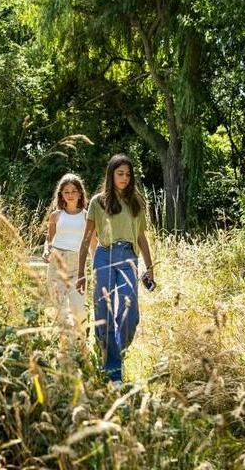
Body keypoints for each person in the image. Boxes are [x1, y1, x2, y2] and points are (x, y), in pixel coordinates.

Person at [76, 154, 154, 384]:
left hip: (129, 257)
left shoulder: (136, 201)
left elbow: (141, 237)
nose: (125, 178)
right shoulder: (98, 202)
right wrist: (81, 272)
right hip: (104, 256)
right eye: (120, 173)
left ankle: (113, 351)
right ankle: (113, 372)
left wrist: (150, 268)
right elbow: (86, 239)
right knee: (104, 312)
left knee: (131, 314)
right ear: (111, 175)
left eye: (128, 174)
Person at [42, 173, 92, 341]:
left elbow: (92, 242)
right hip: (57, 261)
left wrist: (99, 264)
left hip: (77, 263)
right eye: (66, 192)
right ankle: (66, 345)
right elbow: (49, 240)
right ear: (61, 194)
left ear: (80, 193)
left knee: (78, 308)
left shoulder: (87, 216)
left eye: (73, 191)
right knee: (60, 306)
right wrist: (46, 251)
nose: (70, 195)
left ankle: (82, 342)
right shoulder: (55, 215)